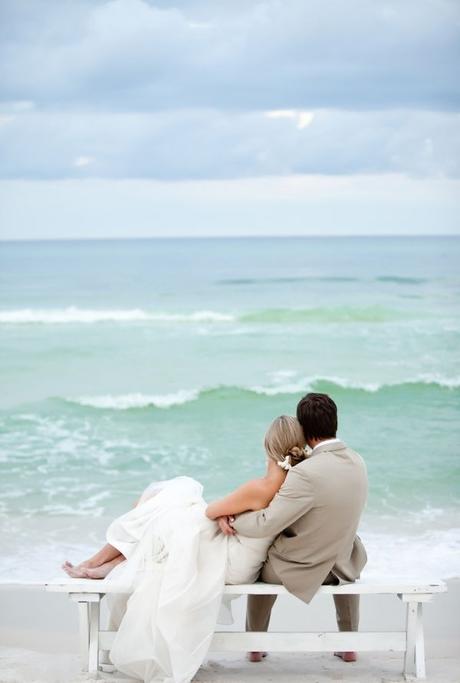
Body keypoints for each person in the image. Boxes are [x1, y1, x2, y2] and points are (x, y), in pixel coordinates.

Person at [62, 415, 308, 683]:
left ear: (268, 446)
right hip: (240, 556)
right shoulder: (292, 486)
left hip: (229, 559)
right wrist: (230, 513)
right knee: (167, 507)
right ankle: (108, 563)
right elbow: (229, 511)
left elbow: (213, 509)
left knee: (170, 496)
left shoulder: (260, 487)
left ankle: (97, 562)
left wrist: (224, 513)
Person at [225, 392, 368, 664]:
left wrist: (235, 518)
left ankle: (255, 644)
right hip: (345, 564)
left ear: (304, 430)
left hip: (305, 569)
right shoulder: (358, 461)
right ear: (334, 422)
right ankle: (349, 643)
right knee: (342, 542)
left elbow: (268, 522)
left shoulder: (306, 473)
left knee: (262, 558)